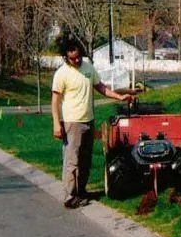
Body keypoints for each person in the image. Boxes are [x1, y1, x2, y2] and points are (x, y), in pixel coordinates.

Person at [51, 37, 139, 209]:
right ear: (65, 57)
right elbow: (54, 101)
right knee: (72, 161)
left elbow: (101, 88)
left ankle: (81, 191)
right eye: (72, 58)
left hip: (88, 120)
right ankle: (70, 197)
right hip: (72, 122)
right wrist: (56, 123)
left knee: (85, 160)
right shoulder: (61, 73)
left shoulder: (88, 68)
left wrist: (120, 96)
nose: (76, 60)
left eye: (78, 56)